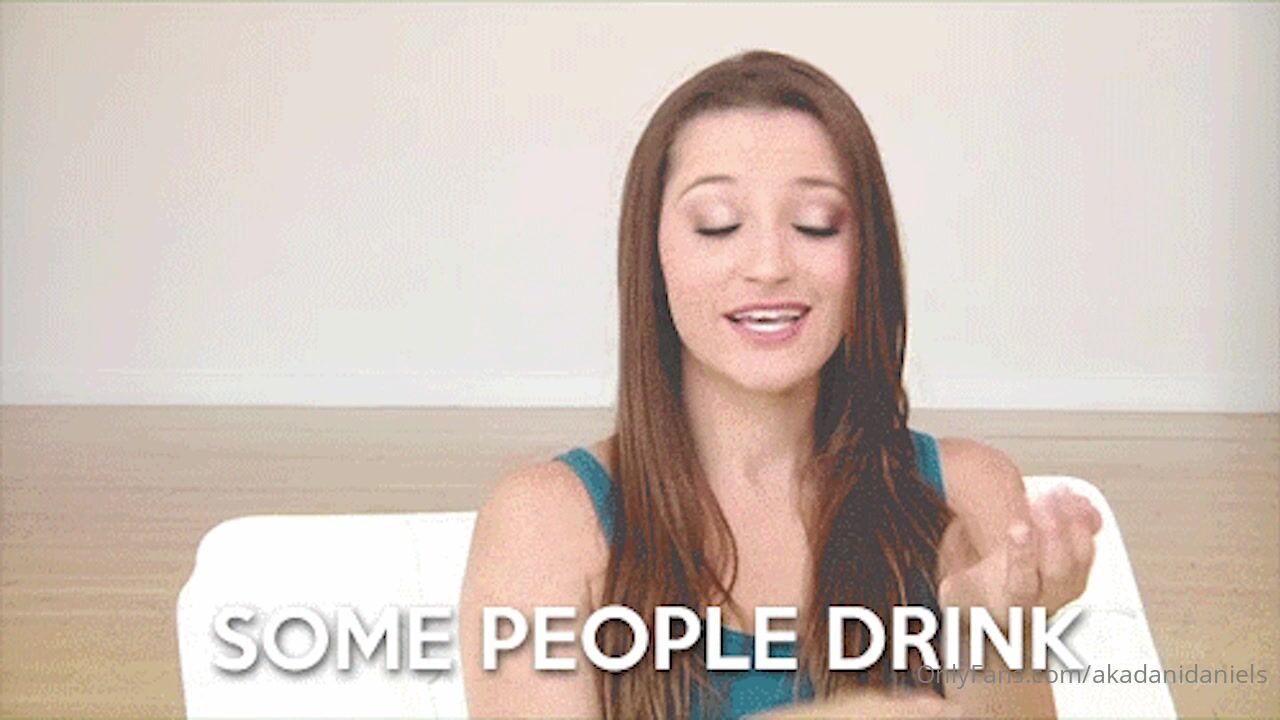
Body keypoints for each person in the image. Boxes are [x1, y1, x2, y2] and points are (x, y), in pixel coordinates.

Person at [459, 49, 1102, 719]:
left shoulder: (969, 493)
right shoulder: (545, 521)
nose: (768, 265)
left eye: (815, 224)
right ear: (653, 255)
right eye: (718, 224)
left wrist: (986, 635)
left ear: (867, 253)